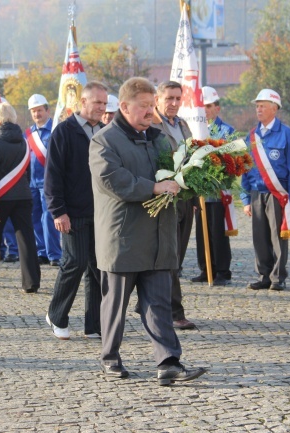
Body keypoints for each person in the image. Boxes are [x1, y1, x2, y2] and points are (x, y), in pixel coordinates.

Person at [89, 76, 206, 385]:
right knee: (115, 304)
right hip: (123, 237)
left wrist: (190, 180)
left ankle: (168, 362)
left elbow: (176, 171)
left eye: (151, 106)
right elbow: (113, 180)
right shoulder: (104, 139)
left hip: (158, 237)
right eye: (143, 106)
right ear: (124, 106)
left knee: (159, 303)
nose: (149, 112)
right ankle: (110, 357)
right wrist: (154, 187)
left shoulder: (158, 138)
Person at [44, 81, 107, 340]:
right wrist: (58, 211)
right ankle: (57, 315)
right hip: (72, 212)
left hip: (101, 213)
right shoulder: (64, 131)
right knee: (74, 262)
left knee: (98, 268)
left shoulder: (105, 131)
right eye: (97, 103)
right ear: (83, 103)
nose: (101, 108)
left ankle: (94, 324)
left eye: (105, 103)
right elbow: (53, 175)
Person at [0, 103, 41, 293]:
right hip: (23, 197)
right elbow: (27, 172)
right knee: (27, 240)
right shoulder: (24, 141)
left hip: (0, 198)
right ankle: (31, 282)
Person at [241, 89, 290, 291]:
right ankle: (264, 275)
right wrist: (246, 198)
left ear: (274, 108)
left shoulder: (287, 134)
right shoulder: (251, 136)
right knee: (259, 237)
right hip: (257, 193)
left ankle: (277, 277)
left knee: (278, 236)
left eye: (263, 105)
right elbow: (244, 168)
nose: (258, 109)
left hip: (278, 194)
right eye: (257, 106)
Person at [151, 81, 195, 330]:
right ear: (158, 99)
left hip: (185, 199)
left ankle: (160, 305)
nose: (174, 103)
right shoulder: (152, 126)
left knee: (177, 256)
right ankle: (173, 311)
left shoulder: (183, 124)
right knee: (168, 257)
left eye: (178, 98)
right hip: (164, 198)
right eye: (169, 98)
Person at [192, 86, 235, 286]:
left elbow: (233, 160)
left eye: (209, 106)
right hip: (199, 189)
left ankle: (222, 271)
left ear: (217, 108)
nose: (205, 110)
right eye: (202, 106)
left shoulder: (226, 131)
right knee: (202, 232)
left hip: (218, 190)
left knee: (218, 232)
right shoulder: (194, 129)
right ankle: (205, 268)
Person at [26, 94, 61, 267]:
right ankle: (41, 252)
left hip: (48, 183)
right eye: (33, 111)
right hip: (32, 183)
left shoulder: (56, 130)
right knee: (35, 218)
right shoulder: (29, 133)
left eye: (39, 110)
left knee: (49, 218)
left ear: (47, 110)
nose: (37, 114)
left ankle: (54, 253)